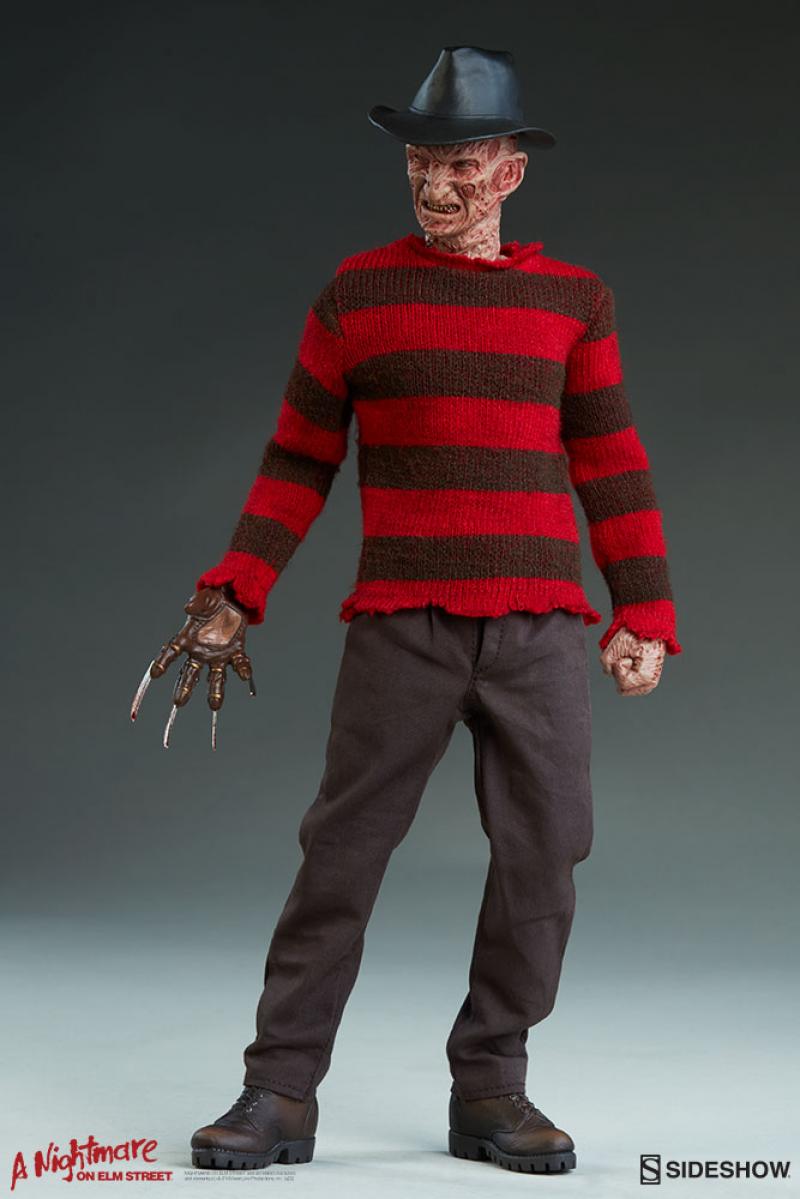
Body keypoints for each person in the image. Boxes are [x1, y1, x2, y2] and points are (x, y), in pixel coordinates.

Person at [132, 46, 680, 1176]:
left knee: (546, 853)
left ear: (510, 173)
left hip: (538, 629)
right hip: (402, 627)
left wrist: (644, 609)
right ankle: (279, 1089)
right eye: (421, 162)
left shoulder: (573, 301)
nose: (436, 184)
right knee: (341, 852)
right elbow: (299, 456)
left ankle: (491, 1085)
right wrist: (235, 587)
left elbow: (611, 463)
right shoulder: (358, 295)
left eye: (461, 164)